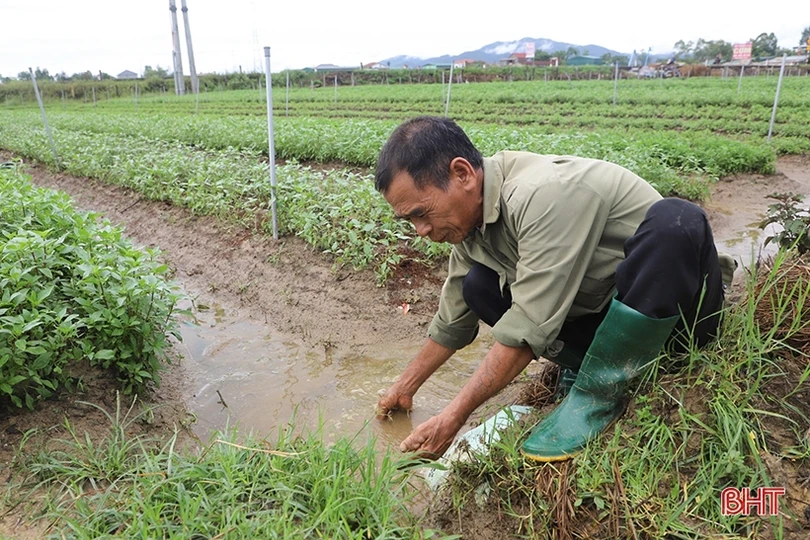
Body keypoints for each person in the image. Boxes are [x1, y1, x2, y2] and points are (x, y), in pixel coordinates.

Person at [374, 116, 734, 462]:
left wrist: (452, 417)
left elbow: (529, 326)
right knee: (478, 286)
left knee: (677, 218)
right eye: (410, 221)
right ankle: (587, 367)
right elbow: (452, 320)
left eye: (422, 213)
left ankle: (597, 394)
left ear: (462, 174)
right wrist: (405, 387)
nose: (420, 230)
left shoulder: (542, 193)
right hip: (608, 316)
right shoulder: (470, 222)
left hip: (681, 319)